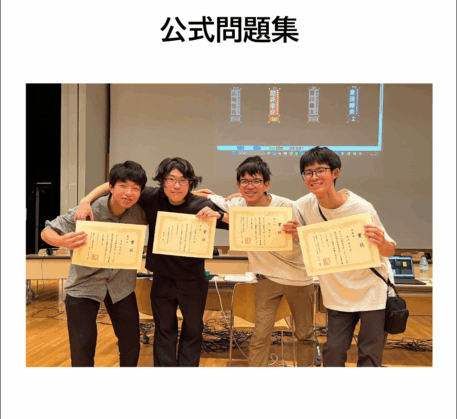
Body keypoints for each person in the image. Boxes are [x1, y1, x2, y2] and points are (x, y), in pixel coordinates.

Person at [74, 157, 229, 367]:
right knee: (164, 330)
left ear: (190, 183)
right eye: (171, 179)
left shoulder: (202, 205)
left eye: (182, 180)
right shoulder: (152, 197)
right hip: (162, 279)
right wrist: (85, 201)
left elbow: (236, 223)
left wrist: (220, 214)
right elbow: (112, 185)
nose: (176, 185)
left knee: (193, 330)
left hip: (193, 280)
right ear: (162, 181)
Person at [195, 156, 316, 367]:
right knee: (260, 335)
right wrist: (197, 193)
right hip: (268, 279)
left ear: (266, 185)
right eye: (245, 181)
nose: (250, 186)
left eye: (255, 181)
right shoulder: (237, 204)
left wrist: (299, 233)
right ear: (238, 185)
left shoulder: (287, 206)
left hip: (299, 278)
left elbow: (311, 237)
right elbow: (212, 198)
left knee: (305, 334)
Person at [282, 146, 396, 367]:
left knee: (369, 354)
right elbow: (275, 207)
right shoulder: (304, 205)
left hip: (370, 290)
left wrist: (382, 242)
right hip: (337, 293)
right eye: (308, 172)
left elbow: (389, 250)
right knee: (333, 352)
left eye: (320, 170)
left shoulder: (360, 207)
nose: (314, 177)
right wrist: (243, 199)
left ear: (335, 172)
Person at [41, 161, 148, 367]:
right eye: (123, 186)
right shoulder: (88, 210)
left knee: (131, 344)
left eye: (135, 188)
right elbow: (47, 231)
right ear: (111, 187)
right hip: (84, 284)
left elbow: (170, 197)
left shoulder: (139, 212)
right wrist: (61, 241)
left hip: (121, 285)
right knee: (82, 347)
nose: (129, 193)